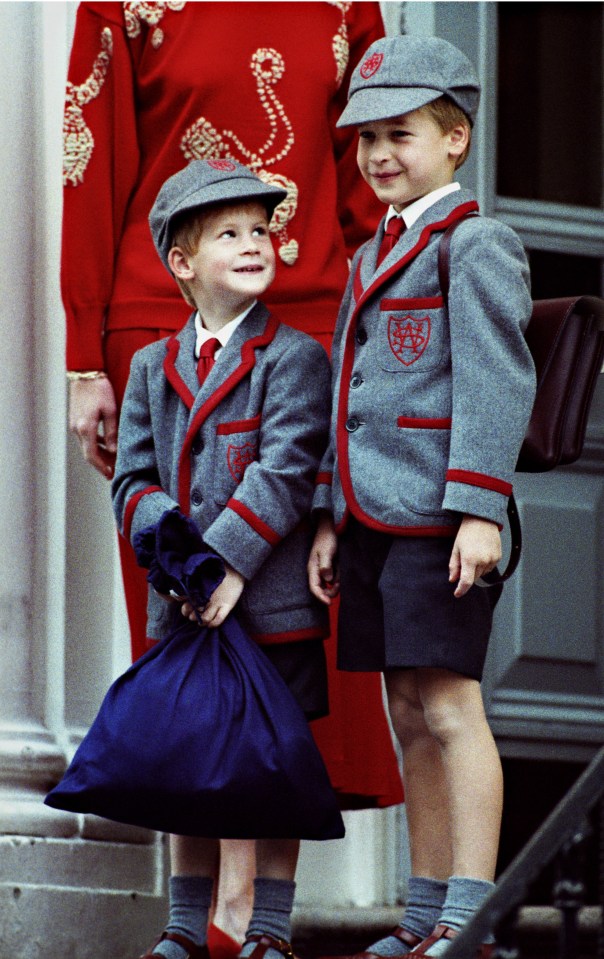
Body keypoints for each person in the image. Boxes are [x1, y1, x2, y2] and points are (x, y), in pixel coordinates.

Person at [62, 5, 403, 954]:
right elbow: (90, 158)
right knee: (184, 659)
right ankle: (203, 914)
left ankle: (254, 916)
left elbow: (365, 174)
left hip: (319, 318)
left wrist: (390, 321)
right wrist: (84, 350)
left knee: (292, 648)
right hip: (160, 314)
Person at [308, 35, 537, 959]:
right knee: (405, 709)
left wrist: (481, 506)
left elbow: (496, 377)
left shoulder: (476, 244)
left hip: (442, 520)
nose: (377, 156)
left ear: (456, 140)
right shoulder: (370, 257)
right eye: (365, 139)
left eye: (399, 134)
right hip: (370, 519)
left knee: (450, 706)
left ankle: (470, 914)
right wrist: (328, 514)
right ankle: (424, 910)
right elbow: (345, 391)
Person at [112, 158, 335, 959]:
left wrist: (226, 563)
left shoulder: (296, 357)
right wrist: (174, 556)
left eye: (261, 229)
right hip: (182, 603)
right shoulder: (149, 367)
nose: (254, 242)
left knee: (272, 768)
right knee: (187, 765)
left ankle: (269, 929)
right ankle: (182, 925)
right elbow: (132, 476)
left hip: (268, 601)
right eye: (230, 233)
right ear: (182, 261)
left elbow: (284, 469)